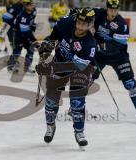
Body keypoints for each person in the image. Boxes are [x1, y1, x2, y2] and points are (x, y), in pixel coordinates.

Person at [36, 8, 97, 147]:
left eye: (85, 24)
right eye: (79, 22)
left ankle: (79, 131)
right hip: (59, 61)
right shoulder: (65, 23)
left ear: (90, 25)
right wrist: (46, 46)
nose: (80, 26)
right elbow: (53, 37)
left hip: (79, 70)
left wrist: (51, 67)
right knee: (51, 100)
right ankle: (50, 126)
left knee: (77, 101)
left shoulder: (90, 45)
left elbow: (79, 66)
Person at [93, 0, 136, 120]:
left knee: (130, 83)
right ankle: (75, 108)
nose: (113, 12)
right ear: (107, 8)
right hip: (99, 56)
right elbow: (83, 15)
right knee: (85, 79)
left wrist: (99, 45)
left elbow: (118, 46)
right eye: (111, 9)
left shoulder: (122, 24)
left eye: (116, 9)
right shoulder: (98, 14)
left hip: (118, 56)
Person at [7, 0, 37, 73]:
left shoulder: (32, 13)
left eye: (32, 4)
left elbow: (31, 23)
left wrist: (33, 25)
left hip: (25, 35)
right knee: (17, 51)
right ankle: (10, 66)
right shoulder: (22, 15)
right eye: (29, 5)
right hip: (18, 35)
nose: (32, 6)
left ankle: (27, 67)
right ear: (26, 6)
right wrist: (34, 40)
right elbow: (25, 31)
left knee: (30, 50)